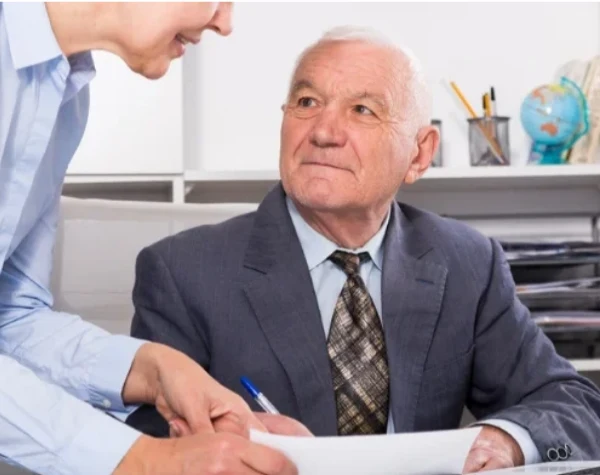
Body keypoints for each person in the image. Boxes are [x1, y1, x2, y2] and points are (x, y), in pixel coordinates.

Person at [128, 26, 600, 473]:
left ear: (419, 154)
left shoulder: (466, 263)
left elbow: (572, 404)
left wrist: (506, 441)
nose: (323, 131)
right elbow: (143, 451)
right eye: (307, 102)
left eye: (362, 111)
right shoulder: (182, 272)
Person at [0, 2, 301, 474]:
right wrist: (141, 462)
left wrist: (154, 369)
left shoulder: (64, 98)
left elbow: (10, 316)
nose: (225, 23)